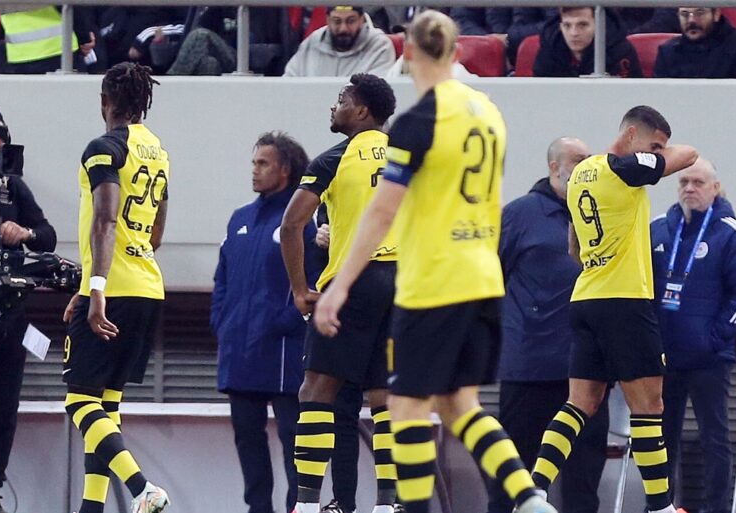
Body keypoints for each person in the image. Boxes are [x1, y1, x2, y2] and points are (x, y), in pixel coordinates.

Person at [313, 10, 555, 513]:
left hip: (434, 279)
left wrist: (339, 286)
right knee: (460, 406)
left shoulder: (417, 122)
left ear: (408, 54)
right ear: (457, 51)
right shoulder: (488, 111)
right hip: (483, 276)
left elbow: (383, 211)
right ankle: (529, 497)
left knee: (405, 408)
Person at [528, 105, 698, 513]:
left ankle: (533, 492)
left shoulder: (578, 176)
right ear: (631, 135)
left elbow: (574, 245)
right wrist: (658, 156)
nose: (658, 153)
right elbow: (689, 155)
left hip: (586, 296)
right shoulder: (624, 168)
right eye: (654, 145)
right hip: (625, 300)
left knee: (579, 403)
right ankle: (661, 507)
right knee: (649, 407)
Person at [279, 73, 398, 513]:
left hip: (355, 280)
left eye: (342, 99)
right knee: (385, 398)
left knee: (316, 390)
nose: (335, 106)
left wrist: (300, 290)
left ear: (362, 110)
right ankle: (387, 504)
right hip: (405, 283)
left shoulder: (334, 158)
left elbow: (290, 225)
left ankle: (307, 503)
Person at [61, 62, 170, 513]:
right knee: (105, 406)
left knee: (78, 402)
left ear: (105, 101)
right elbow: (157, 230)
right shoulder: (157, 150)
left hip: (114, 288)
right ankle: (92, 508)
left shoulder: (103, 147)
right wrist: (90, 282)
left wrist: (97, 287)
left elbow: (105, 220)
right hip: (147, 284)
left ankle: (143, 488)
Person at [490, 137, 609, 513]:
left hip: (587, 370)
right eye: (577, 160)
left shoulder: (599, 211)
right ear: (554, 167)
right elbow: (491, 279)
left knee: (583, 480)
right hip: (530, 368)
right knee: (514, 474)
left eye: (589, 159)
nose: (585, 166)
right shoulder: (520, 215)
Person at [211, 131, 319, 513]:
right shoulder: (239, 219)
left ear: (285, 169)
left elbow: (315, 282)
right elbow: (222, 279)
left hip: (285, 353)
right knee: (247, 440)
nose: (254, 171)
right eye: (254, 163)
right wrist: (222, 323)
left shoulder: (302, 221)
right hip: (241, 352)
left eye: (263, 163)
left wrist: (285, 320)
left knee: (294, 441)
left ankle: (298, 508)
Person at [650, 158, 736, 513]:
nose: (689, 188)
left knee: (713, 437)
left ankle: (716, 508)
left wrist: (715, 338)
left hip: (709, 359)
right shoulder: (658, 230)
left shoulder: (729, 233)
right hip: (665, 357)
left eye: (698, 183)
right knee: (662, 438)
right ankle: (661, 506)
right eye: (683, 182)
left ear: (715, 188)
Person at [0, 104, 57, 513]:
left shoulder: (13, 188)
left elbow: (47, 235)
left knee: (3, 411)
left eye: (0, 150)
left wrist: (24, 232)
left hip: (8, 318)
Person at [283, 6, 396, 77]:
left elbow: (377, 97)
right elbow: (288, 83)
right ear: (327, 20)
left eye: (351, 21)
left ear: (361, 20)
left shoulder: (380, 46)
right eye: (337, 21)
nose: (343, 29)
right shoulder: (313, 42)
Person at [533, 7, 642, 78]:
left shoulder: (621, 51)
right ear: (560, 26)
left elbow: (631, 97)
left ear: (599, 24)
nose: (574, 33)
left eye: (583, 25)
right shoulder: (549, 49)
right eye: (567, 25)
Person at [653, 8, 736, 78]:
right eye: (684, 14)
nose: (691, 20)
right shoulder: (667, 52)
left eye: (700, 13)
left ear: (716, 14)